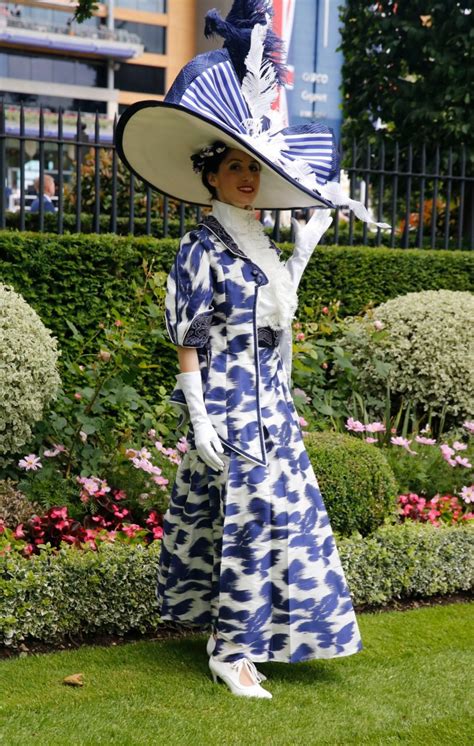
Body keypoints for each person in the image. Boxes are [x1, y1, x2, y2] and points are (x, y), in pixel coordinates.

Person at [117, 0, 387, 700]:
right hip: (234, 408)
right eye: (234, 166)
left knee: (278, 523)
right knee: (245, 524)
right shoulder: (200, 246)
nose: (246, 177)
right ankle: (230, 651)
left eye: (252, 168)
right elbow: (191, 341)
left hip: (274, 408)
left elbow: (276, 314)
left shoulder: (261, 243)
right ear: (210, 174)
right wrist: (200, 421)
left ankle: (252, 639)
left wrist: (303, 254)